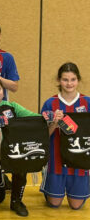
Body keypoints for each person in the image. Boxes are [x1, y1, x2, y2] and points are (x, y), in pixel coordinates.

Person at [0, 75, 38, 216]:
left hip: (12, 151)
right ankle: (2, 179)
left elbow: (32, 116)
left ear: (3, 90)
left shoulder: (12, 106)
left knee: (22, 163)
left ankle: (16, 201)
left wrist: (47, 116)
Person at [40, 62, 90, 210]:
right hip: (56, 159)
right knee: (54, 204)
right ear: (59, 80)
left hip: (80, 160)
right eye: (65, 79)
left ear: (78, 80)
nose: (69, 83)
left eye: (73, 79)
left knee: (76, 206)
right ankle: (48, 183)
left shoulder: (87, 102)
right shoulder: (50, 103)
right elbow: (43, 136)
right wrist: (54, 123)